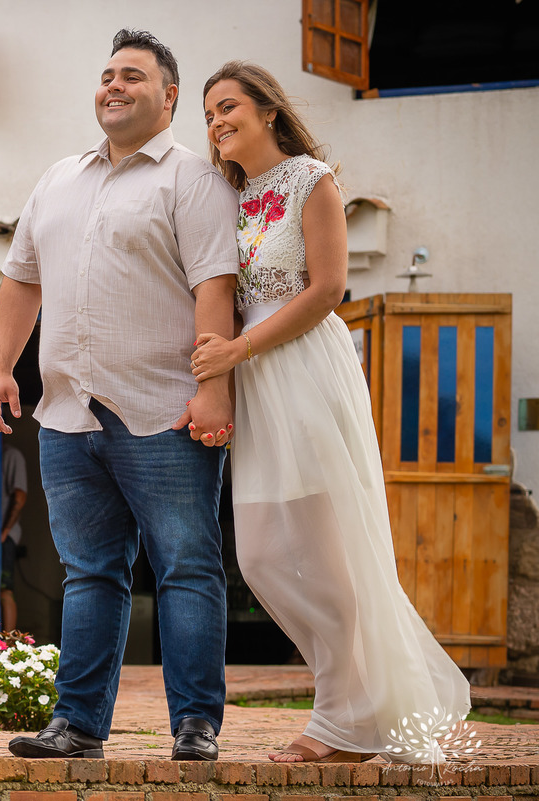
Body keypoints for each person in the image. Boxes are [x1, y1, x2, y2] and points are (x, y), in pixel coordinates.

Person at [193, 61, 471, 763]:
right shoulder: (234, 196)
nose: (217, 122)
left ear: (268, 112)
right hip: (258, 385)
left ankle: (342, 722)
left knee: (326, 555)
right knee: (259, 557)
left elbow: (328, 290)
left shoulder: (310, 179)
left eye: (228, 107)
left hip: (308, 374)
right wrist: (223, 369)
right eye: (208, 115)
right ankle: (357, 702)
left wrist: (237, 349)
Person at [0, 29, 240, 761]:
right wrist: (5, 368)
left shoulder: (194, 180)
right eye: (106, 74)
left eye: (133, 74)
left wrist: (213, 391)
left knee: (187, 566)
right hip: (66, 415)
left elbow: (213, 289)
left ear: (168, 98)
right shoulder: (57, 177)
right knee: (89, 570)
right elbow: (21, 278)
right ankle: (78, 724)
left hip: (164, 410)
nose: (114, 85)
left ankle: (195, 724)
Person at [0, 441, 28, 632]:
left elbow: (20, 494)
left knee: (5, 591)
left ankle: (7, 643)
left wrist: (5, 532)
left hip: (3, 537)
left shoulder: (12, 455)